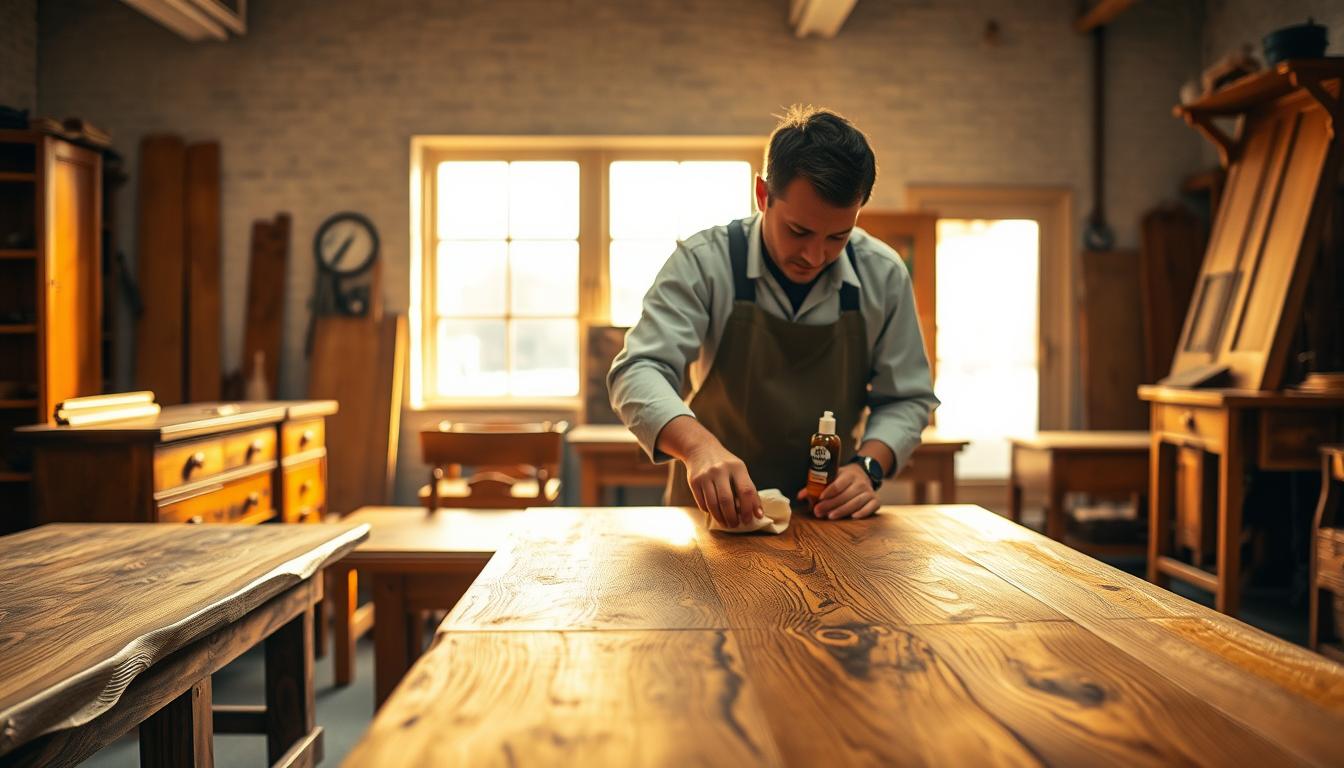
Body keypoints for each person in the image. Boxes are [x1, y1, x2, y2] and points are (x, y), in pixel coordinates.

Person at [608, 105, 938, 527]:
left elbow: (907, 397)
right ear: (763, 195)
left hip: (828, 518)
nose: (815, 256)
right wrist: (698, 448)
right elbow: (638, 368)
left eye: (838, 236)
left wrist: (868, 467)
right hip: (712, 516)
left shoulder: (883, 273)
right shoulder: (705, 262)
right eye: (799, 231)